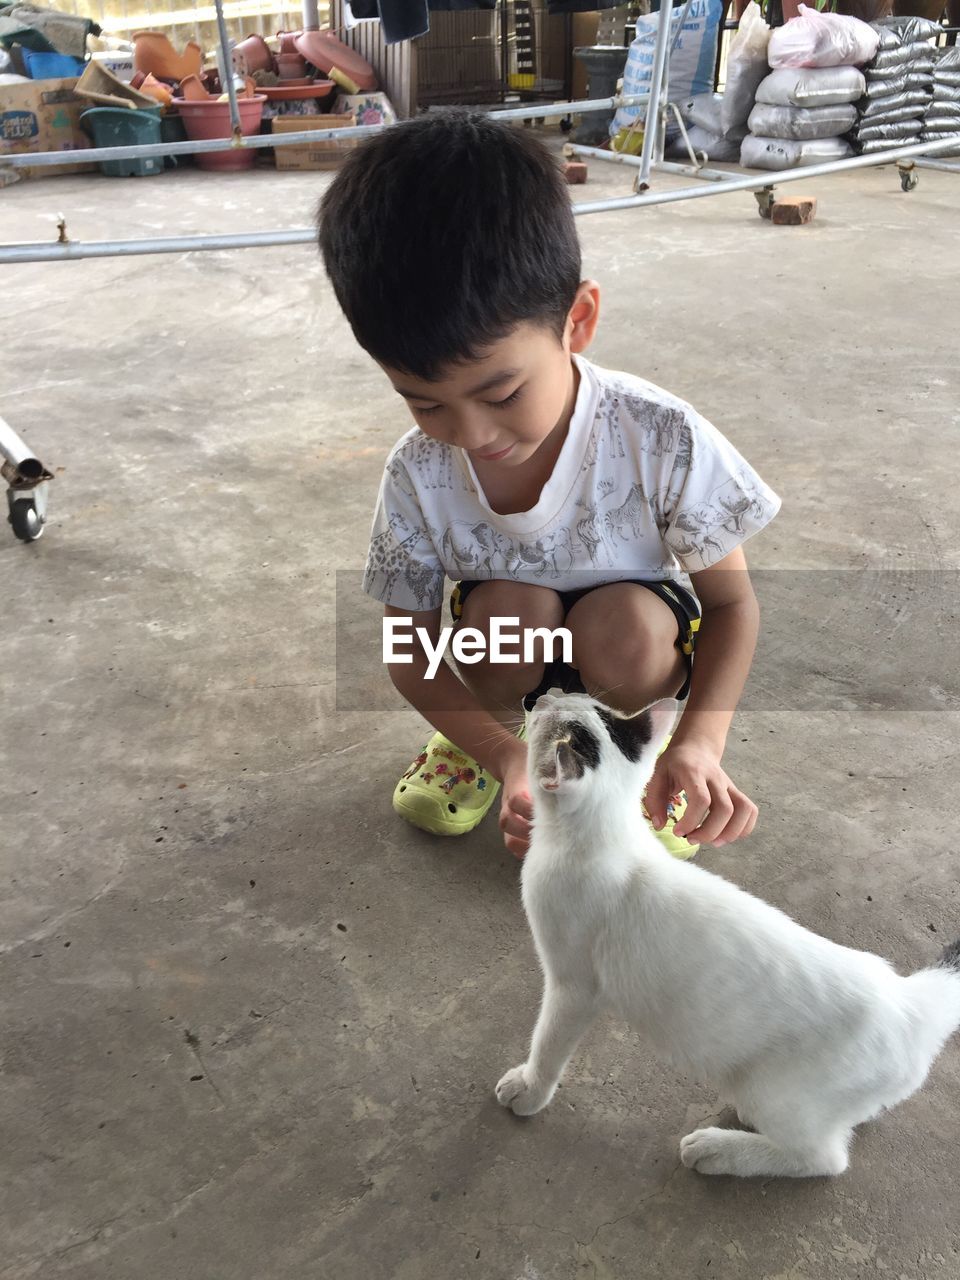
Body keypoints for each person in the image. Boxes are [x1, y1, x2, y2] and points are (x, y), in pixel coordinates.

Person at [317, 109, 780, 860]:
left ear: (579, 319)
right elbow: (410, 646)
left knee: (627, 629)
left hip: (626, 646)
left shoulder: (658, 434)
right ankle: (478, 743)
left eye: (501, 394)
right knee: (510, 612)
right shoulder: (418, 469)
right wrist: (504, 754)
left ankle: (643, 754)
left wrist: (703, 740)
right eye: (423, 401)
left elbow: (731, 604)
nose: (470, 435)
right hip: (505, 650)